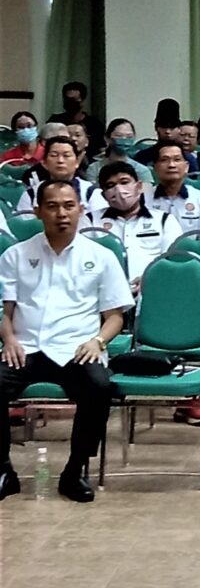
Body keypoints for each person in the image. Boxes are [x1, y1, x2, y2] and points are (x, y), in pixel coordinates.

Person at [0, 179, 133, 503]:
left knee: (99, 387)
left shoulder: (101, 256)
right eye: (53, 206)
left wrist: (98, 341)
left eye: (69, 206)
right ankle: (4, 470)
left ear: (81, 210)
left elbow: (115, 316)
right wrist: (9, 339)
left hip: (77, 348)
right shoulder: (16, 255)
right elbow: (5, 311)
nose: (62, 213)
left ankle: (75, 470)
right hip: (26, 347)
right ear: (38, 211)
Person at [86, 162, 184, 288]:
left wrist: (151, 278)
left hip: (154, 288)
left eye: (124, 182)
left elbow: (173, 259)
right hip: (103, 290)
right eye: (110, 185)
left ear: (139, 186)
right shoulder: (90, 221)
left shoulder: (164, 220)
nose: (119, 189)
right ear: (104, 195)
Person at [16, 135, 109, 214]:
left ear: (77, 162)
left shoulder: (91, 192)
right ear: (44, 162)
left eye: (66, 155)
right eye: (54, 155)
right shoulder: (31, 194)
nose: (60, 160)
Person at [145, 140, 200, 232]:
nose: (171, 165)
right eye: (164, 160)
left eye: (177, 159)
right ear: (155, 168)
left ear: (186, 167)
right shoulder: (143, 200)